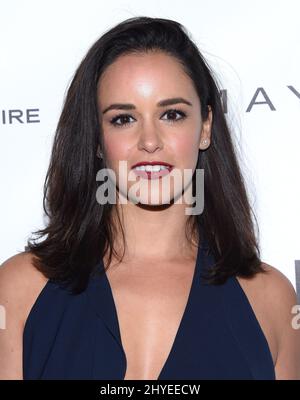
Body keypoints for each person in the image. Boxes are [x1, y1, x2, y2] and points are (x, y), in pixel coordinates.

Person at [0, 16, 299, 380]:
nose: (150, 141)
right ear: (96, 138)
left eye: (172, 114)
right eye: (123, 119)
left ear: (205, 127)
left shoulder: (270, 301)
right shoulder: (20, 289)